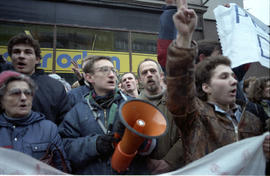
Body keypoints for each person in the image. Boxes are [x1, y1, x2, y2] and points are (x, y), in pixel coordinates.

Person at [166, 0, 270, 167]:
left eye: (232, 76)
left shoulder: (253, 120)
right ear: (206, 87)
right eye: (223, 77)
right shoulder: (195, 117)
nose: (233, 80)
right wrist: (184, 37)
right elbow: (178, 85)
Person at [59, 55, 153, 174]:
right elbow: (65, 146)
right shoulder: (77, 111)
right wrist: (95, 145)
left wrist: (134, 136)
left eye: (113, 70)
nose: (112, 75)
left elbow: (151, 143)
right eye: (104, 70)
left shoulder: (133, 105)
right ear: (89, 77)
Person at [0, 71, 70, 172]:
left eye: (28, 93)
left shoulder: (48, 129)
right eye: (15, 93)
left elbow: (63, 169)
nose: (23, 98)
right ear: (1, 100)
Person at [6, 33, 71, 125]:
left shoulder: (55, 87)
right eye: (16, 52)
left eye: (28, 52)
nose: (21, 56)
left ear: (37, 59)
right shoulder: (2, 85)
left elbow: (65, 124)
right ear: (11, 57)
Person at [137, 58, 184, 174]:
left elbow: (188, 134)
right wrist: (144, 162)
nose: (149, 75)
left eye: (153, 71)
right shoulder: (133, 107)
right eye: (144, 72)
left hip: (177, 170)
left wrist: (169, 161)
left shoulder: (179, 101)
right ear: (139, 80)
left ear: (161, 75)